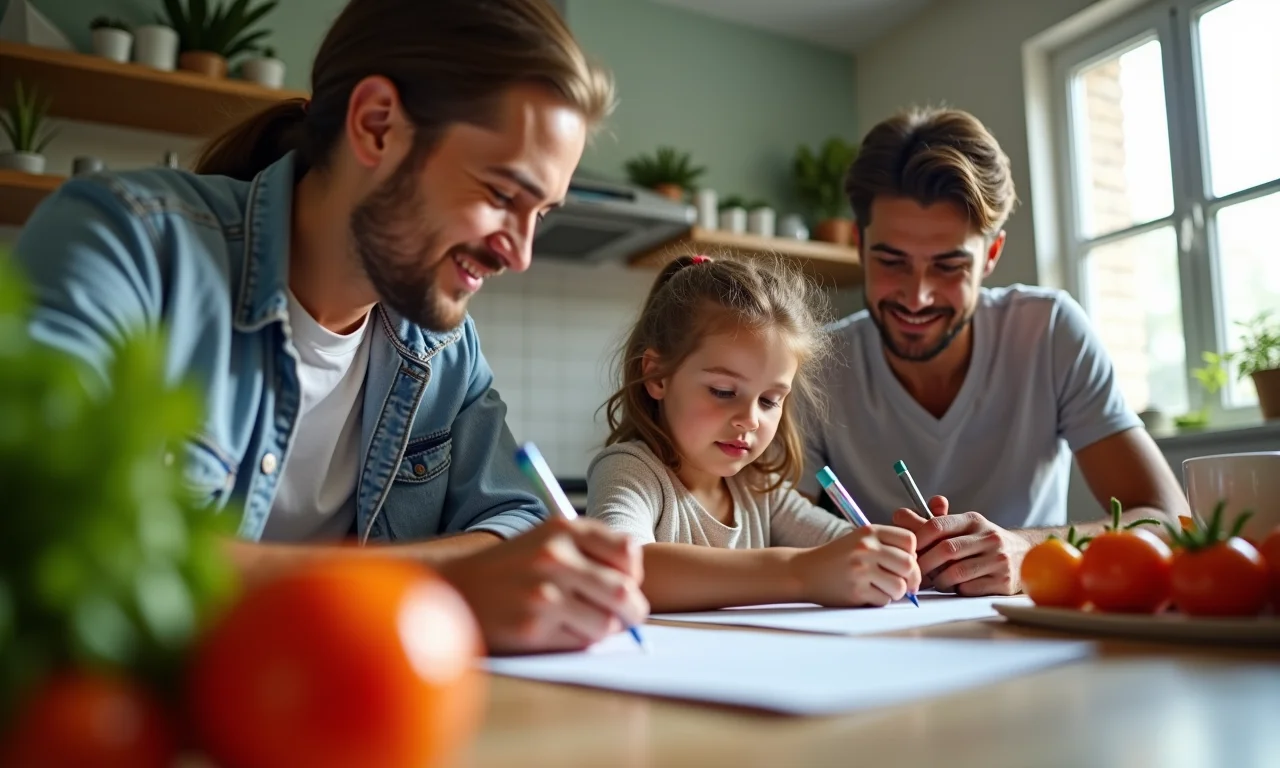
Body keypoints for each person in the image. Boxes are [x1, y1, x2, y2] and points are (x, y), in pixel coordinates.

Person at [10, 0, 648, 654]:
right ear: (377, 126)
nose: (519, 254)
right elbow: (42, 526)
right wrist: (445, 583)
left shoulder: (445, 350)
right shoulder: (125, 244)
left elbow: (517, 521)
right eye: (500, 194)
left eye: (540, 213)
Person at [798, 106, 1189, 597]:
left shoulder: (1048, 330)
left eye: (948, 266)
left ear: (992, 256)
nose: (917, 296)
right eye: (892, 261)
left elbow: (1170, 520)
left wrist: (1030, 550)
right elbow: (764, 527)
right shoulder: (817, 363)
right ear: (859, 245)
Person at [585, 254, 921, 613]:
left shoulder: (760, 488)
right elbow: (622, 568)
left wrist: (906, 557)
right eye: (723, 392)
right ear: (655, 376)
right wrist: (799, 573)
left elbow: (844, 547)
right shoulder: (630, 471)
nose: (749, 420)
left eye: (770, 400)